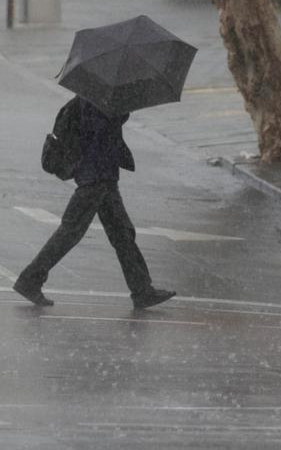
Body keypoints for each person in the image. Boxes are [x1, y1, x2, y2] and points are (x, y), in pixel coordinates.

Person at [13, 97, 176, 310]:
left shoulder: (94, 97)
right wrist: (119, 112)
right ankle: (30, 279)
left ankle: (142, 290)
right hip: (95, 176)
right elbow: (99, 135)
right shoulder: (95, 101)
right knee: (71, 231)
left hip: (103, 175)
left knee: (122, 233)